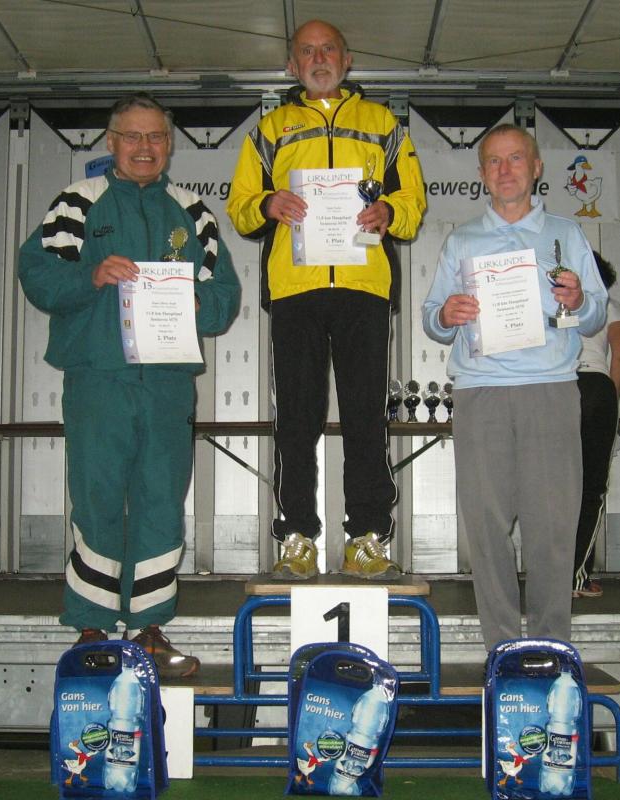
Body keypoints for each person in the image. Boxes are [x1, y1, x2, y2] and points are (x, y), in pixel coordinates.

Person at [19, 92, 241, 677]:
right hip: (99, 377)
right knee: (96, 494)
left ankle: (149, 628)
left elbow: (225, 296)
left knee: (161, 500)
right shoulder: (77, 202)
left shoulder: (193, 212)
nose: (145, 147)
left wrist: (198, 301)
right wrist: (91, 275)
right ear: (111, 141)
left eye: (156, 137)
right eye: (133, 136)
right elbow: (37, 275)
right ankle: (91, 627)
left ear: (170, 145)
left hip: (168, 383)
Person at [227, 20, 426, 580]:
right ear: (292, 66)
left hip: (364, 290)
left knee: (366, 417)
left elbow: (412, 203)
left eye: (329, 49)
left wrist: (389, 211)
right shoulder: (269, 129)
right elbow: (240, 205)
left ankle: (366, 537)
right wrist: (267, 204)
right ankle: (297, 537)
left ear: (347, 58)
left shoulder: (384, 124)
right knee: (296, 418)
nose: (319, 58)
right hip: (296, 292)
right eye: (307, 51)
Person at [422, 123, 607, 651]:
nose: (505, 170)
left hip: (551, 390)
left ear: (537, 167)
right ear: (482, 174)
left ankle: (550, 648)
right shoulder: (462, 240)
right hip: (480, 393)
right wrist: (447, 314)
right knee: (486, 528)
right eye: (494, 161)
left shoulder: (567, 234)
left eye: (516, 159)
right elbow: (432, 317)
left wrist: (578, 301)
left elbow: (596, 315)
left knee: (553, 530)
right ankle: (501, 648)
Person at [573, 252, 620, 598]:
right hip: (596, 387)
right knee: (591, 487)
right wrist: (611, 400)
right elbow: (619, 357)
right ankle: (576, 578)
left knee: (554, 486)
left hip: (558, 388)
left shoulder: (555, 303)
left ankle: (551, 578)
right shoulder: (611, 305)